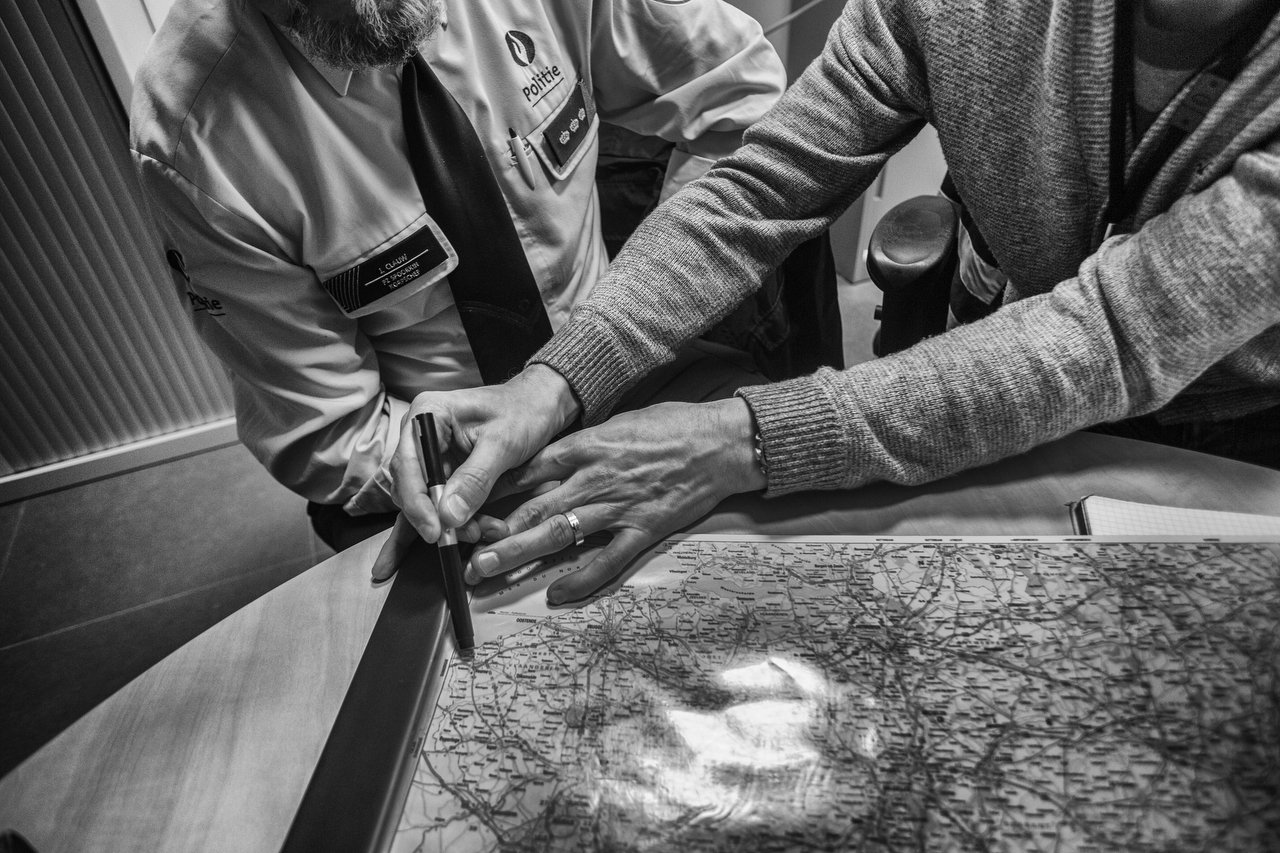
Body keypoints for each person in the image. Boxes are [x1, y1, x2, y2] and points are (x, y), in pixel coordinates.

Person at [374, 0, 1280, 603]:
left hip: (1234, 442)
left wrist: (743, 438)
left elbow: (1111, 337)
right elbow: (762, 185)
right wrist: (558, 380)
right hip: (990, 366)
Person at [130, 0, 793, 551]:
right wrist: (490, 482)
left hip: (632, 361)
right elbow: (330, 428)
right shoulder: (194, 135)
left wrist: (653, 292)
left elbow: (743, 93)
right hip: (439, 459)